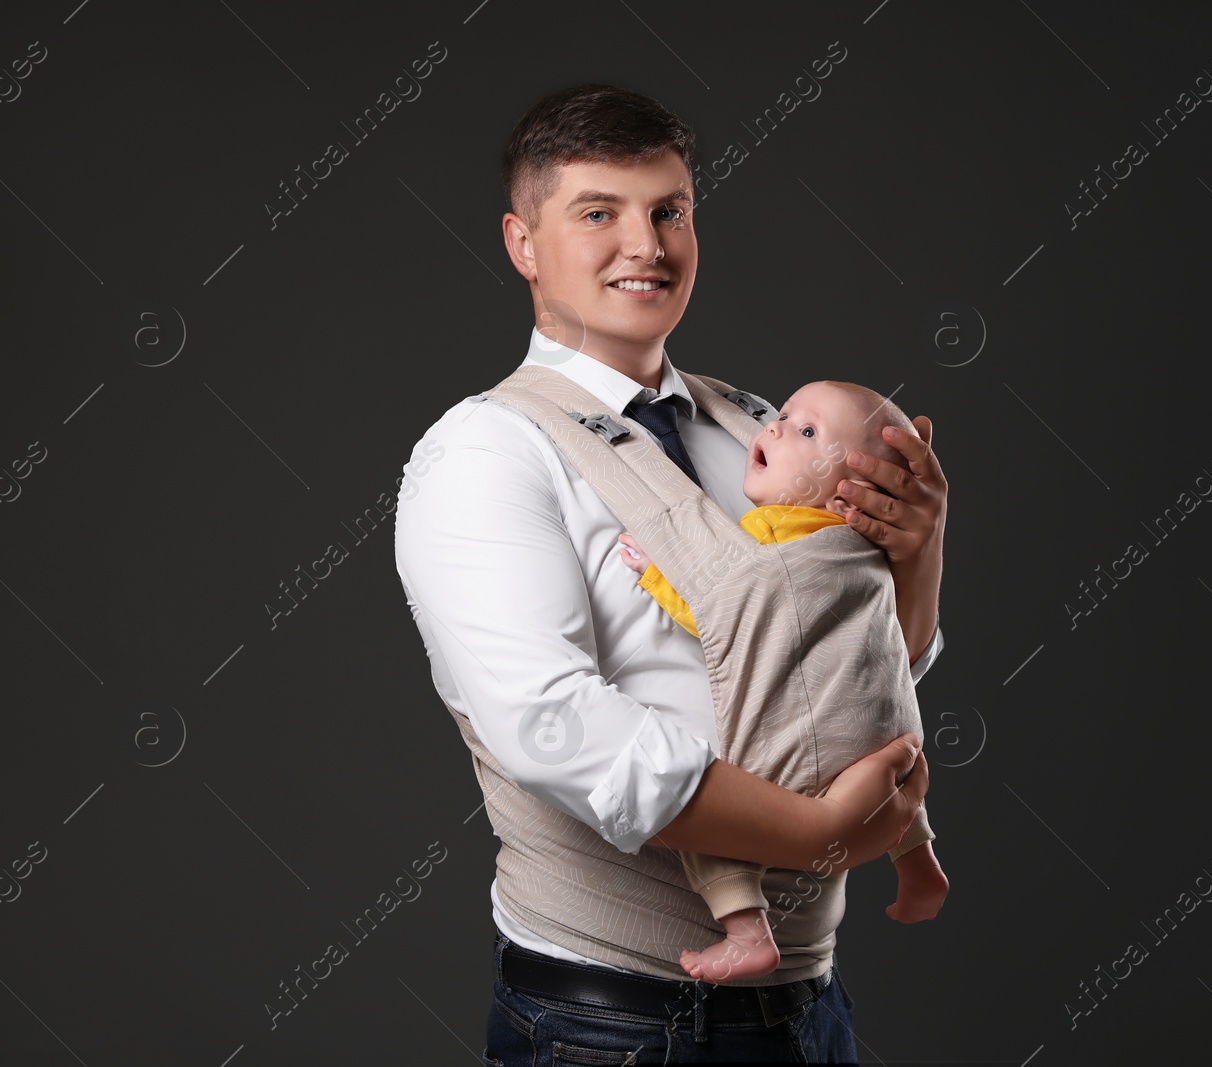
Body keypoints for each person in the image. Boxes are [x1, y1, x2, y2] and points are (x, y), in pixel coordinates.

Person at [393, 84, 948, 1062]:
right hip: (615, 1020)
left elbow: (846, 674)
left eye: (669, 210)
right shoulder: (483, 451)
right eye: (598, 213)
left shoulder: (764, 424)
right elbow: (556, 727)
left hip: (808, 1006)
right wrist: (823, 831)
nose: (644, 244)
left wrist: (919, 550)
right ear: (524, 244)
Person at [616, 379, 949, 983]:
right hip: (887, 737)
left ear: (854, 490)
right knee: (899, 782)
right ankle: (920, 861)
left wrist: (654, 574)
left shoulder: (774, 530)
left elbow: (723, 609)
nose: (772, 427)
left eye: (806, 431)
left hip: (798, 753)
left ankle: (747, 931)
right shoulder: (868, 552)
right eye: (787, 414)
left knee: (710, 821)